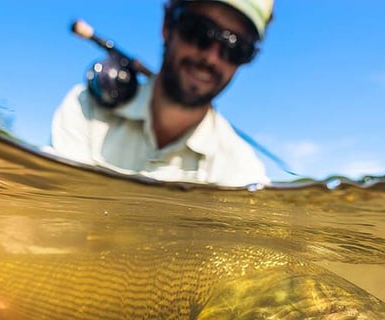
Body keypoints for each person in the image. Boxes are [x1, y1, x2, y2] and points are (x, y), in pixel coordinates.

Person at [49, 0, 274, 188]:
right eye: (198, 30)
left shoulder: (242, 173)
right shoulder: (86, 108)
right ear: (167, 25)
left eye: (236, 48)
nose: (211, 58)